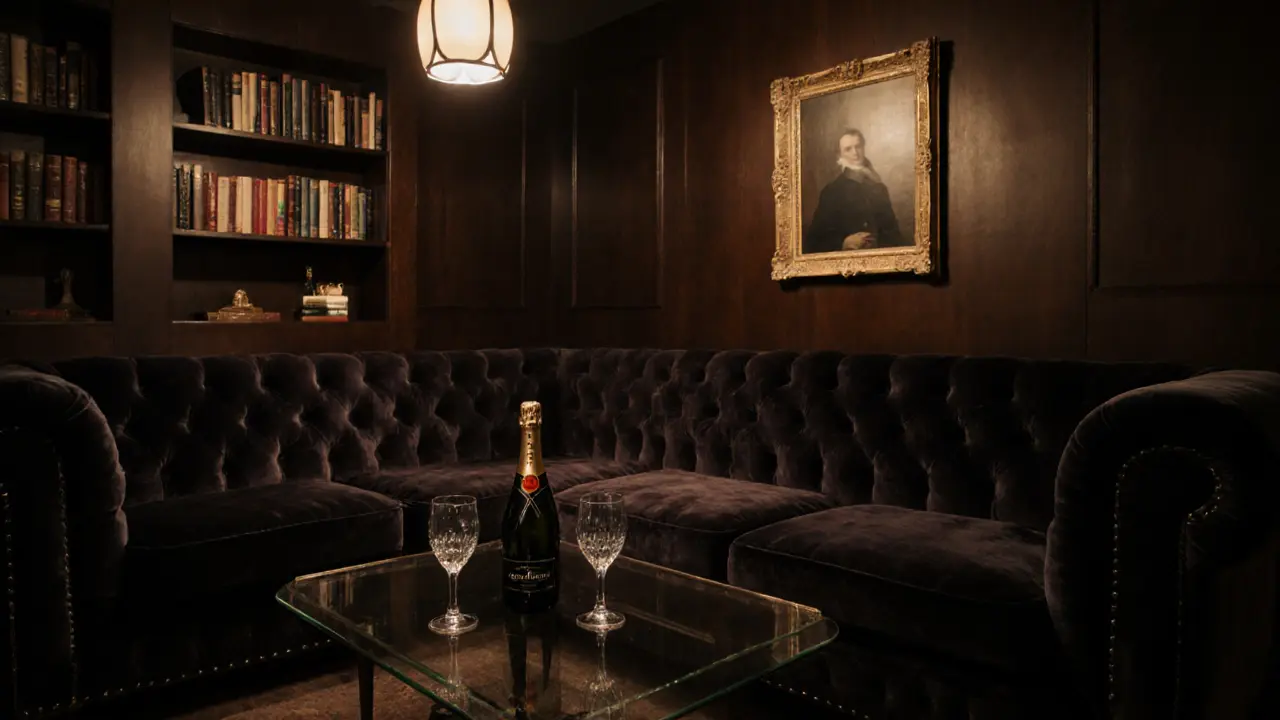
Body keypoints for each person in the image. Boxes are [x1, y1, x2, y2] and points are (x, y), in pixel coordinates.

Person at [803, 128, 904, 253]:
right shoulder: (831, 191)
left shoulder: (878, 188)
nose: (855, 153)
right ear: (839, 154)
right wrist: (843, 243)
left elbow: (894, 235)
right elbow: (814, 241)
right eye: (848, 149)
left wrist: (878, 244)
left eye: (858, 146)